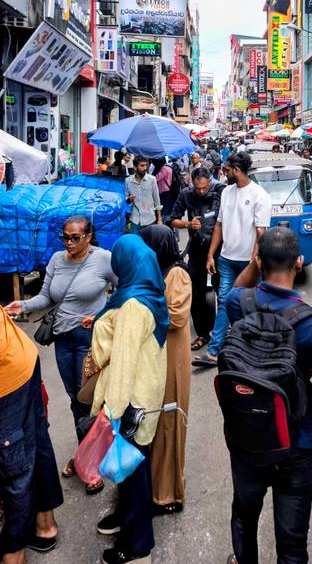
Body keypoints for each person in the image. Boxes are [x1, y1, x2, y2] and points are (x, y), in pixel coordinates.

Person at [224, 228, 312, 564]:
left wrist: (254, 264)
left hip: (247, 436)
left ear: (259, 260)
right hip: (296, 442)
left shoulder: (239, 303)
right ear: (299, 262)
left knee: (244, 516)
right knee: (292, 543)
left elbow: (236, 290)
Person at [5, 216, 116, 494]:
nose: (68, 243)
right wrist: (22, 305)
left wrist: (102, 315)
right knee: (74, 398)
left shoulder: (103, 259)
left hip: (89, 339)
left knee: (88, 398)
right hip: (63, 339)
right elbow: (46, 297)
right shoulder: (56, 260)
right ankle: (85, 454)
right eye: (65, 237)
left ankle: (93, 462)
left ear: (88, 236)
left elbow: (124, 289)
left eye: (75, 237)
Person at [92, 235, 170, 564]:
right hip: (147, 395)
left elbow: (122, 364)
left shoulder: (133, 306)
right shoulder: (151, 292)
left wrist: (111, 412)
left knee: (131, 472)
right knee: (135, 466)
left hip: (131, 403)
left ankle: (138, 546)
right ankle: (128, 517)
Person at [192, 152, 271, 366]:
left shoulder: (260, 195)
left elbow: (261, 232)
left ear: (236, 170)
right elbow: (219, 225)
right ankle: (214, 352)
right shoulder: (227, 192)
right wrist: (211, 254)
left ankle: (253, 352)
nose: (224, 172)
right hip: (226, 259)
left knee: (251, 306)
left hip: (248, 262)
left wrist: (254, 263)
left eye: (227, 169)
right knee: (225, 303)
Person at [0, 308, 63, 562]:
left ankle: (13, 555)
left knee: (13, 463)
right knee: (33, 439)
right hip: (19, 354)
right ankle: (44, 523)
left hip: (8, 375)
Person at [140, 226, 192, 515]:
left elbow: (176, 316)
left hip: (173, 360)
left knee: (169, 424)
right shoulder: (158, 271)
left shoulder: (177, 273)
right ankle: (155, 486)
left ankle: (168, 494)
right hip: (158, 358)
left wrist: (139, 307)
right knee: (156, 425)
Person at [171, 165, 224, 351]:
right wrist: (188, 224)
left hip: (220, 250)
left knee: (223, 291)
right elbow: (174, 219)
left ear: (210, 181)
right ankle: (202, 333)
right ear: (192, 184)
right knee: (195, 293)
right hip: (197, 249)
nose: (201, 191)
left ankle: (223, 332)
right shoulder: (186, 194)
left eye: (204, 187)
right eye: (197, 188)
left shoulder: (221, 192)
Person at [125, 155, 162, 234]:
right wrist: (129, 199)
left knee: (149, 241)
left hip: (150, 219)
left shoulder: (152, 179)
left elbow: (157, 200)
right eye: (142, 166)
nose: (145, 168)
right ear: (135, 167)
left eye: (146, 165)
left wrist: (159, 219)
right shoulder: (128, 181)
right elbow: (125, 198)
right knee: (134, 241)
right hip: (134, 220)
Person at [152, 156, 175, 224]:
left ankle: (164, 227)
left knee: (163, 212)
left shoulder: (164, 169)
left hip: (165, 192)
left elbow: (156, 178)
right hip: (169, 191)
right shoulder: (169, 167)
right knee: (168, 212)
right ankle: (169, 226)